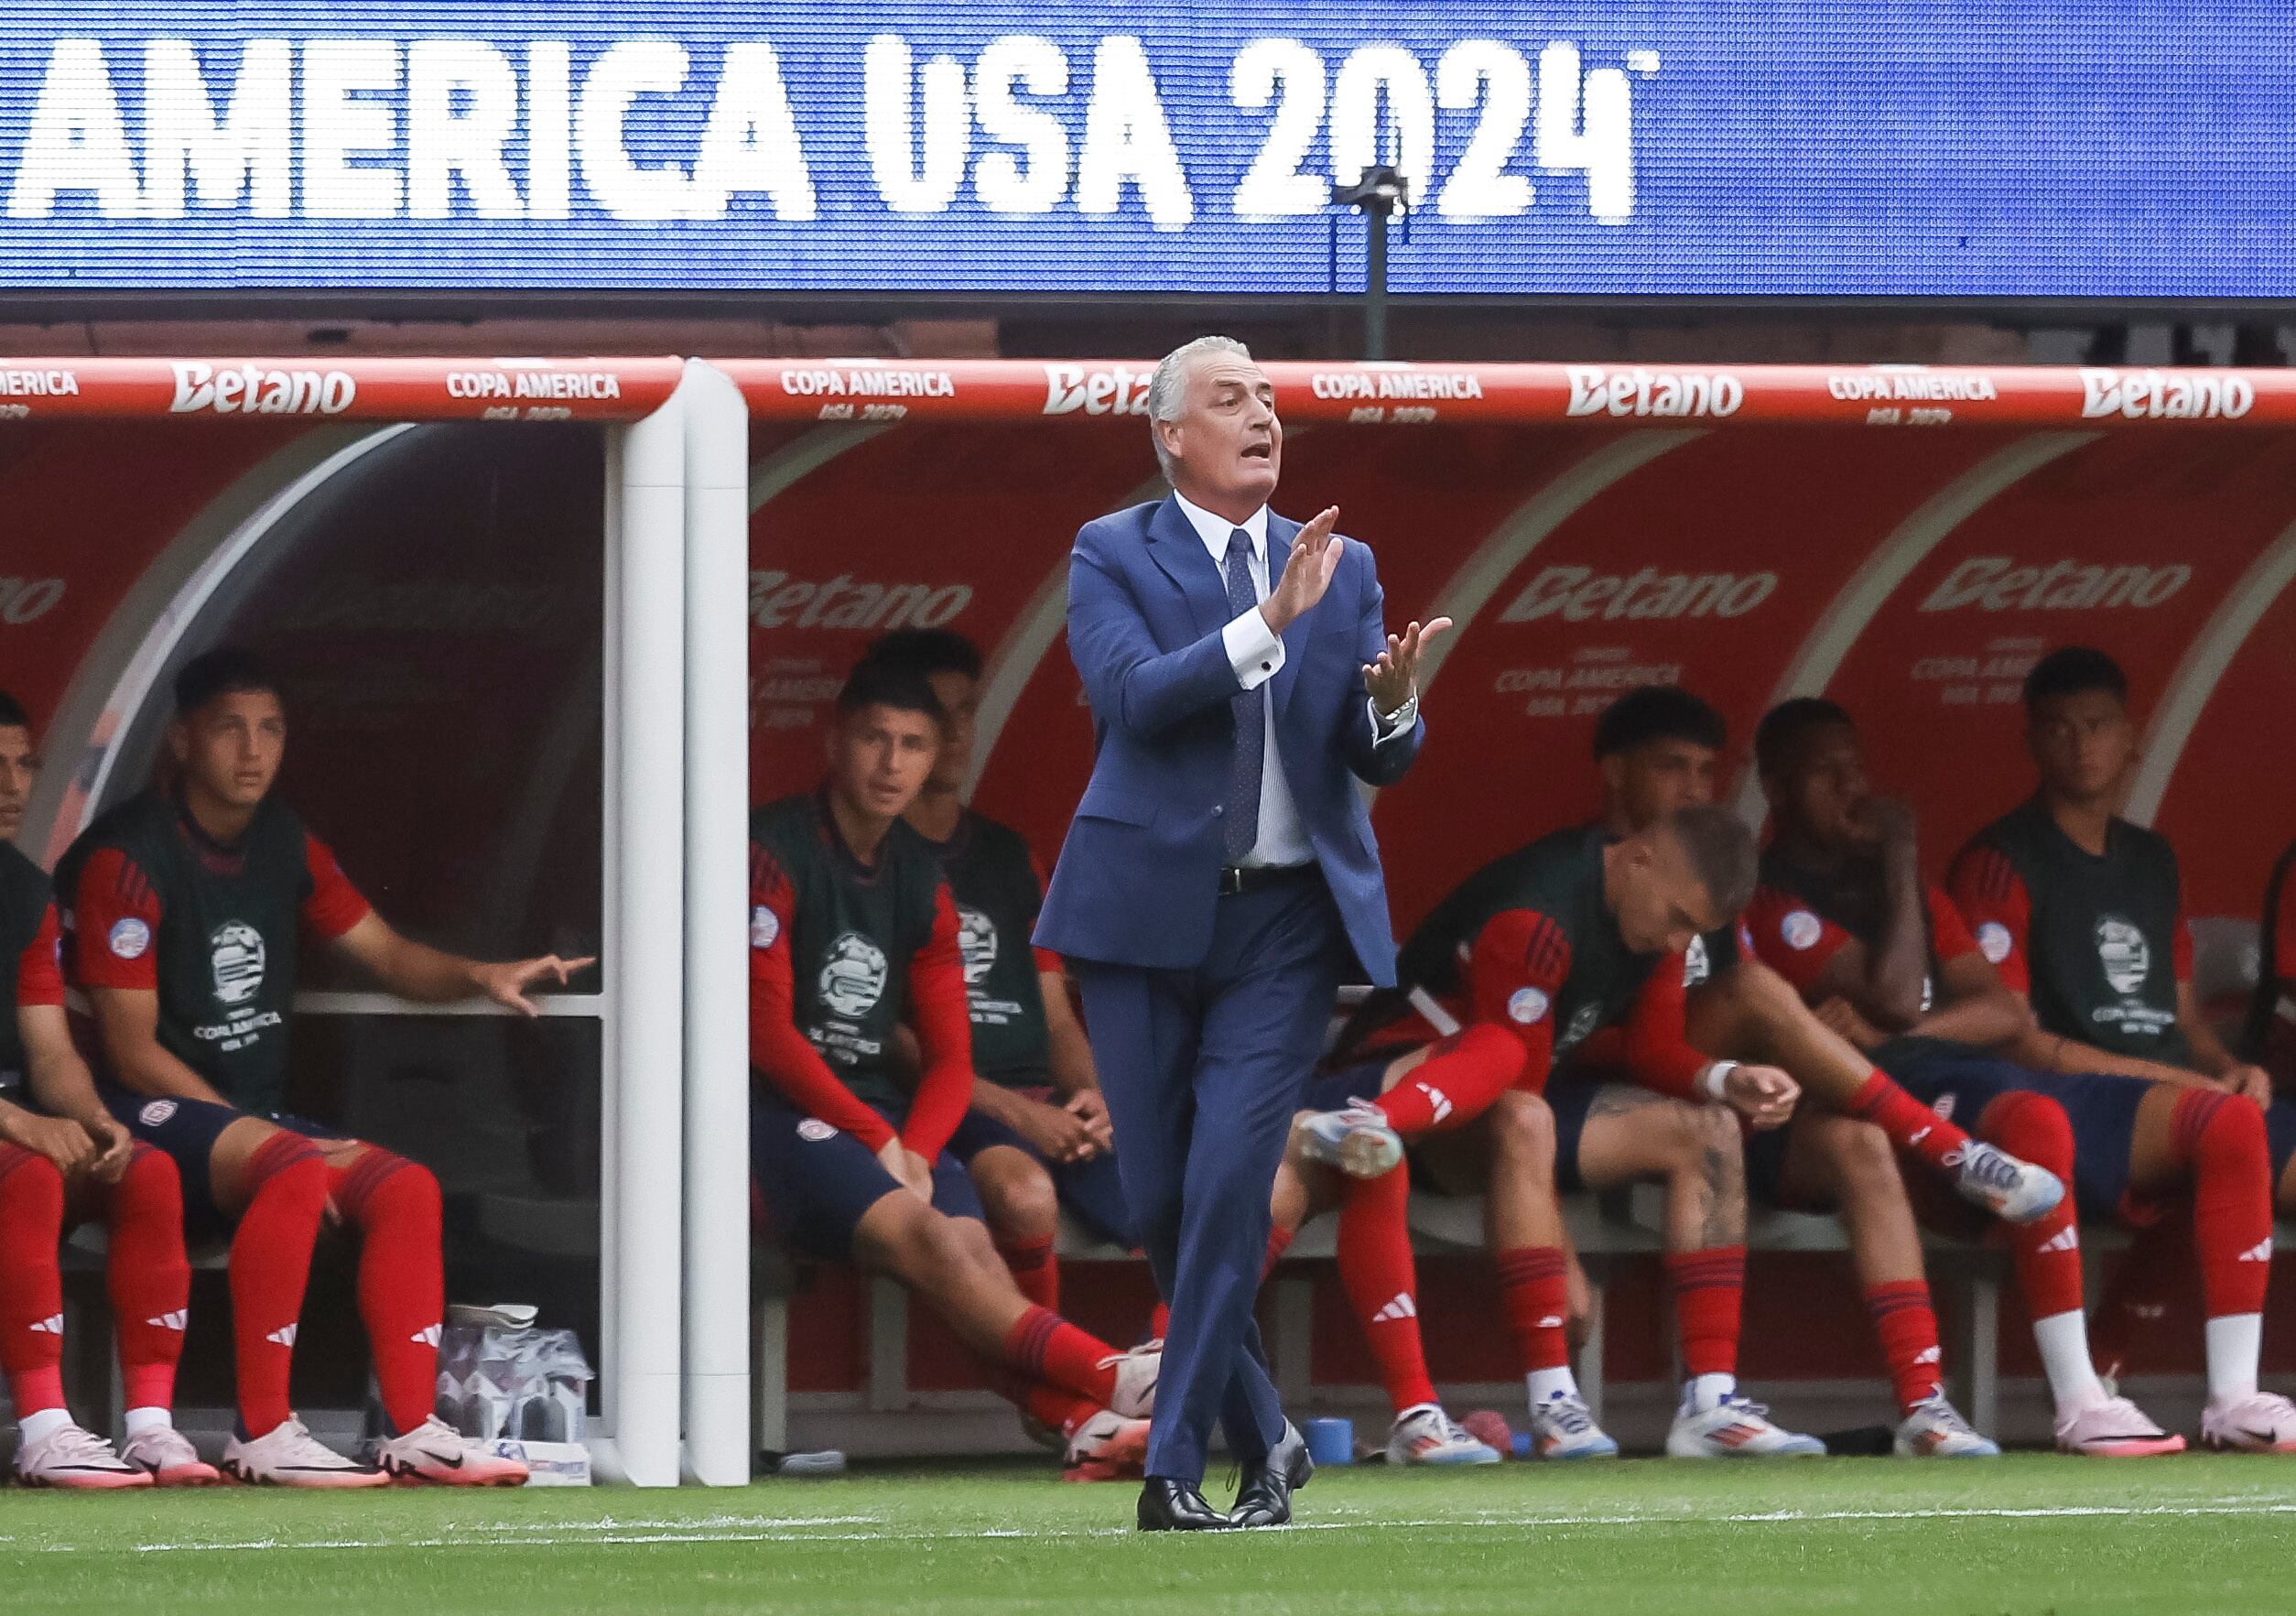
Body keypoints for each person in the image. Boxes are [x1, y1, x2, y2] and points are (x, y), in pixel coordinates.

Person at [1035, 335, 1440, 1530]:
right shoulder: (1112, 550)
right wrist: (1268, 619)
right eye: (1230, 400)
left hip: (1284, 925)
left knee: (1226, 1188)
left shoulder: (1342, 563)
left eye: (1269, 397)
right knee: (1161, 1201)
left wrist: (1395, 699)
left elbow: (1373, 759)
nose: (1262, 414)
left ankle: (1171, 1470)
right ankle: (1266, 1432)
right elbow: (1134, 698)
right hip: (1137, 915)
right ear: (1170, 434)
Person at [59, 648, 580, 1487]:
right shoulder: (128, 855)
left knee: (406, 1184)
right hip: (135, 1119)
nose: (253, 750)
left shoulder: (284, 839)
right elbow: (129, 1051)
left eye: (270, 729)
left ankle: (414, 1429)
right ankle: (263, 1431)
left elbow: (385, 952)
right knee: (294, 1164)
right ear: (183, 740)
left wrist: (479, 976)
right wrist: (256, 1134)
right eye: (231, 728)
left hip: (244, 1127)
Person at [1748, 696, 2212, 1453]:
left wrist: (1900, 1024)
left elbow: (2002, 1012)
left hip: (1938, 1092)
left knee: (2170, 1130)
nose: (1852, 787)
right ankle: (1933, 1397)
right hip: (1819, 1117)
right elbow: (1895, 992)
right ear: (1774, 785)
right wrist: (1899, 859)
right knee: (1998, 1121)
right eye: (1824, 773)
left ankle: (2095, 1386)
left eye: (1854, 768)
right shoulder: (1770, 896)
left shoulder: (1916, 895)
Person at [1311, 805, 1830, 1460]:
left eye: (1694, 931)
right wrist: (1565, 1258)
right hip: (1407, 1091)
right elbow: (1515, 1093)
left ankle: (1710, 1404)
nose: (1679, 942)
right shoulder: (1538, 915)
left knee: (1712, 1129)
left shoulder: (1651, 921)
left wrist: (1728, 1078)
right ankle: (1556, 1401)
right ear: (1638, 859)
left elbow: (1651, 1048)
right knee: (1527, 1116)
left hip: (1515, 1106)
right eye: (1678, 920)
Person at [750, 659, 1157, 1481]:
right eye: (874, 739)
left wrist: (921, 1147)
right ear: (836, 741)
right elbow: (763, 1030)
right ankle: (1117, 1375)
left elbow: (949, 1056)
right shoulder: (776, 847)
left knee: (968, 1260)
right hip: (775, 1112)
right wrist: (878, 1136)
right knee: (940, 1245)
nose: (891, 763)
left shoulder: (922, 874)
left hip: (885, 1116)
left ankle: (1080, 1419)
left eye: (912, 745)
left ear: (935, 758)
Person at [1945, 647, 2296, 1450]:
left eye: (2097, 725)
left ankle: (2196, 1387)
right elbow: (2016, 1032)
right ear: (2031, 742)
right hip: (2073, 1093)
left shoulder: (2151, 857)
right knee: (2225, 1129)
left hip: (2168, 1093)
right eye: (2058, 729)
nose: (2080, 745)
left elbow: (2179, 1013)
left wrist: (2226, 1067)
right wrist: (2190, 1083)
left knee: (2237, 1123)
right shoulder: (2001, 858)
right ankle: (2211, 1395)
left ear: (2133, 736)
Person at [859, 630, 1137, 1328]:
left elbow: (1055, 1014)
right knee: (1023, 1193)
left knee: (1201, 1191)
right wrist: (1020, 1115)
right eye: (936, 717)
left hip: (1044, 1100)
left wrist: (1093, 1093)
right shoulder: (871, 861)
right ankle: (1055, 1392)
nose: (955, 734)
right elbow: (887, 1038)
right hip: (945, 1106)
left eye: (966, 712)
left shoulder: (1010, 856)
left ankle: (1159, 1378)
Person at [0, 694, 205, 1487]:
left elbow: (49, 1045)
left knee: (144, 1167)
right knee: (27, 1174)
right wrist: (20, 1124)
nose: (14, 786)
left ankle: (150, 1427)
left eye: (24, 766)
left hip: (17, 1117)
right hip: (9, 1138)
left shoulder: (22, 886)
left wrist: (87, 1116)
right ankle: (45, 1426)